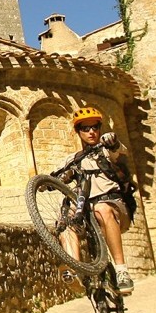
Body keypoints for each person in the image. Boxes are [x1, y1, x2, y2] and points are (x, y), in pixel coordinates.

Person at [58, 106, 136, 295]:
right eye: (85, 128)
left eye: (95, 127)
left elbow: (119, 151)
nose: (91, 132)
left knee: (102, 208)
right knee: (65, 223)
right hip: (85, 211)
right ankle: (73, 270)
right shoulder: (73, 158)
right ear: (78, 132)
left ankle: (121, 271)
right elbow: (60, 176)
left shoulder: (107, 150)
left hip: (114, 207)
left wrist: (112, 141)